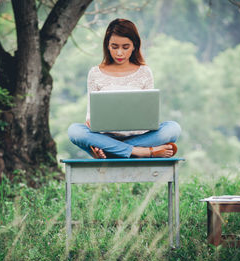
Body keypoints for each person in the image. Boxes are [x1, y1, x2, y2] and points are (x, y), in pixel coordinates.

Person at [68, 18, 181, 159]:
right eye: (114, 47)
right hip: (106, 137)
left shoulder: (144, 72)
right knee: (75, 131)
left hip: (139, 137)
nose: (120, 53)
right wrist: (92, 124)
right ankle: (141, 152)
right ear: (107, 46)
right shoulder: (95, 73)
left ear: (134, 46)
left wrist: (98, 145)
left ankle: (111, 152)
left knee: (173, 128)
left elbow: (149, 114)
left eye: (125, 47)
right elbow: (91, 116)